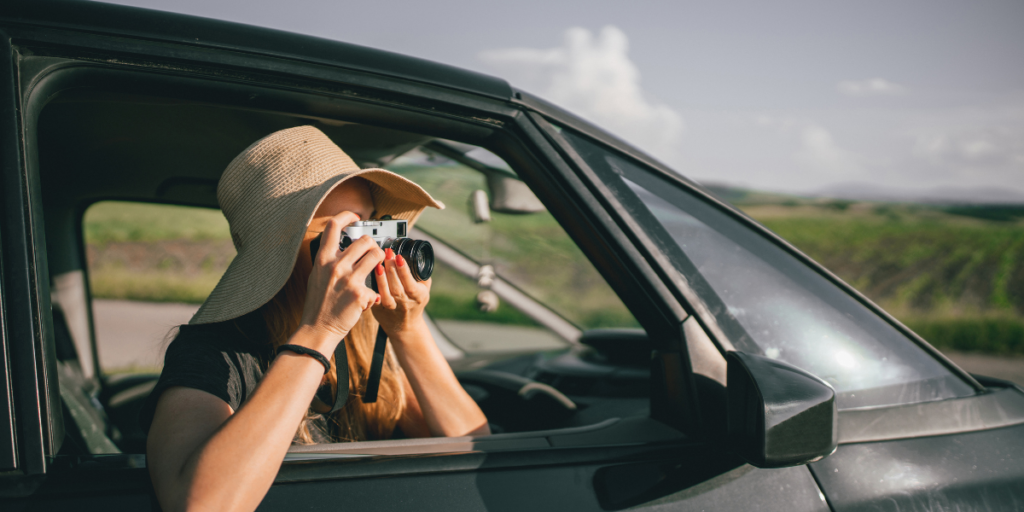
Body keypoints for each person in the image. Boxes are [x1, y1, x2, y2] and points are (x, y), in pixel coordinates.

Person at [141, 126, 488, 512]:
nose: (370, 247)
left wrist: (408, 330)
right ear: (278, 253)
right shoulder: (213, 352)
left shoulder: (362, 332)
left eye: (373, 225)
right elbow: (201, 505)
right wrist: (319, 332)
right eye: (346, 232)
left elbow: (471, 453)